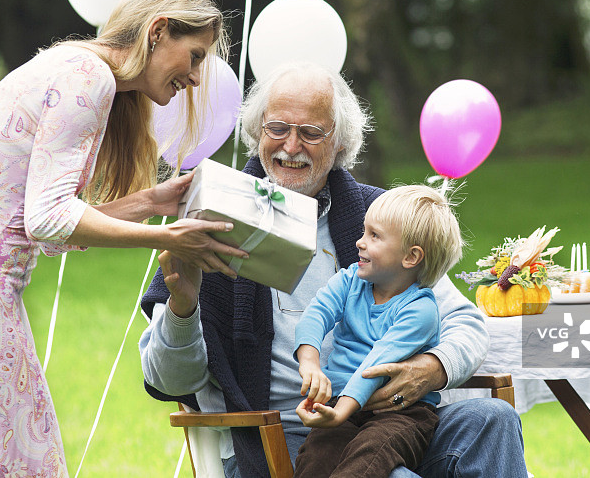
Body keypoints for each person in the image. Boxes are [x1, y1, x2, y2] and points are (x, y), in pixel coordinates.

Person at [139, 61, 528, 478]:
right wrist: (182, 309)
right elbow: (168, 380)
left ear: (340, 143)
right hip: (282, 436)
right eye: (277, 128)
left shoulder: (378, 217)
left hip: (392, 421)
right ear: (257, 132)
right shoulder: (213, 224)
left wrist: (432, 369)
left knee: (493, 418)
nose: (291, 146)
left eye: (310, 133)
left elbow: (465, 323)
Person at [0, 0, 248, 477]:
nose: (197, 77)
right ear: (158, 31)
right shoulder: (90, 77)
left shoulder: (73, 65)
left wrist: (151, 202)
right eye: (195, 56)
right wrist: (167, 237)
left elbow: (42, 225)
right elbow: (49, 220)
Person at [293, 184, 463, 477]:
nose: (360, 242)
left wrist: (341, 413)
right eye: (364, 231)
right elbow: (316, 314)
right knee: (317, 457)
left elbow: (376, 364)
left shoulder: (420, 310)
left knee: (370, 455)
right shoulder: (350, 281)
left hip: (400, 413)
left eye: (374, 236)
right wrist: (310, 364)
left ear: (411, 257)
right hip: (341, 401)